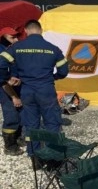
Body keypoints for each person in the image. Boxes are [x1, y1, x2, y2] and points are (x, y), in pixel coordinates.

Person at [0, 20, 69, 156]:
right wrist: (52, 78)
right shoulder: (53, 48)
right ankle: (52, 157)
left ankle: (35, 157)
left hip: (27, 91)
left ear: (26, 30)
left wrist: (7, 78)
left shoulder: (16, 48)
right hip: (46, 90)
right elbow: (64, 71)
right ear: (41, 30)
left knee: (31, 125)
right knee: (52, 124)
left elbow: (1, 65)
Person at [0, 27, 24, 155]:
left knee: (21, 111)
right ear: (3, 37)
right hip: (4, 87)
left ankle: (18, 137)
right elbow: (2, 77)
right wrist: (14, 96)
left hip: (16, 85)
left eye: (16, 36)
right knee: (11, 115)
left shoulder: (14, 49)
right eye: (12, 37)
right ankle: (9, 145)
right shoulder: (1, 51)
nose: (16, 39)